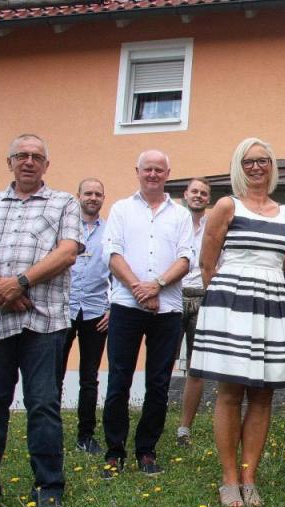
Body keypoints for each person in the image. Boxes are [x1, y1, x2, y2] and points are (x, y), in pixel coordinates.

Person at [0, 133, 80, 507]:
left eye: (36, 157)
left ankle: (49, 487)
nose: (29, 161)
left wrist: (21, 282)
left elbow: (68, 251)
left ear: (46, 165)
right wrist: (0, 288)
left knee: (43, 404)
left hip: (44, 321)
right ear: (9, 162)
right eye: (21, 155)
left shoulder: (64, 202)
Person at [189, 137, 285, 507]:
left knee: (264, 395)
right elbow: (207, 262)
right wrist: (222, 305)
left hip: (272, 303)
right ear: (239, 166)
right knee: (231, 392)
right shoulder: (226, 205)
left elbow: (281, 262)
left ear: (272, 165)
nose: (256, 167)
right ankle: (229, 478)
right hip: (231, 304)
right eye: (248, 161)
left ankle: (250, 476)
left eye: (262, 160)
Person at [101, 150, 193, 478]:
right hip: (126, 306)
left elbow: (186, 259)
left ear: (167, 173)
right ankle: (114, 452)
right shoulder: (121, 209)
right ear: (137, 171)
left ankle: (146, 450)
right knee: (118, 380)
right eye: (147, 169)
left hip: (167, 310)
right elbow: (112, 253)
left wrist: (157, 285)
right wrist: (139, 289)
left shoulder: (181, 214)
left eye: (159, 170)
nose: (153, 174)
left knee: (158, 383)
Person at [59, 177, 110, 456]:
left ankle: (85, 436)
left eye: (98, 194)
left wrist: (112, 308)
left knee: (89, 378)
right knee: (53, 375)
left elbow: (117, 270)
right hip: (62, 311)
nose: (93, 198)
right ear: (78, 196)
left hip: (96, 312)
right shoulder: (64, 228)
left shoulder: (110, 231)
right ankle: (50, 433)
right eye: (88, 193)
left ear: (103, 198)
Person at [176, 177, 212, 447]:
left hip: (202, 296)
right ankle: (152, 420)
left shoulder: (214, 224)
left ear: (208, 199)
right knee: (161, 361)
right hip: (172, 296)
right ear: (185, 194)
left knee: (196, 366)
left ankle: (184, 428)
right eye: (194, 191)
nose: (198, 196)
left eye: (204, 193)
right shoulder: (173, 221)